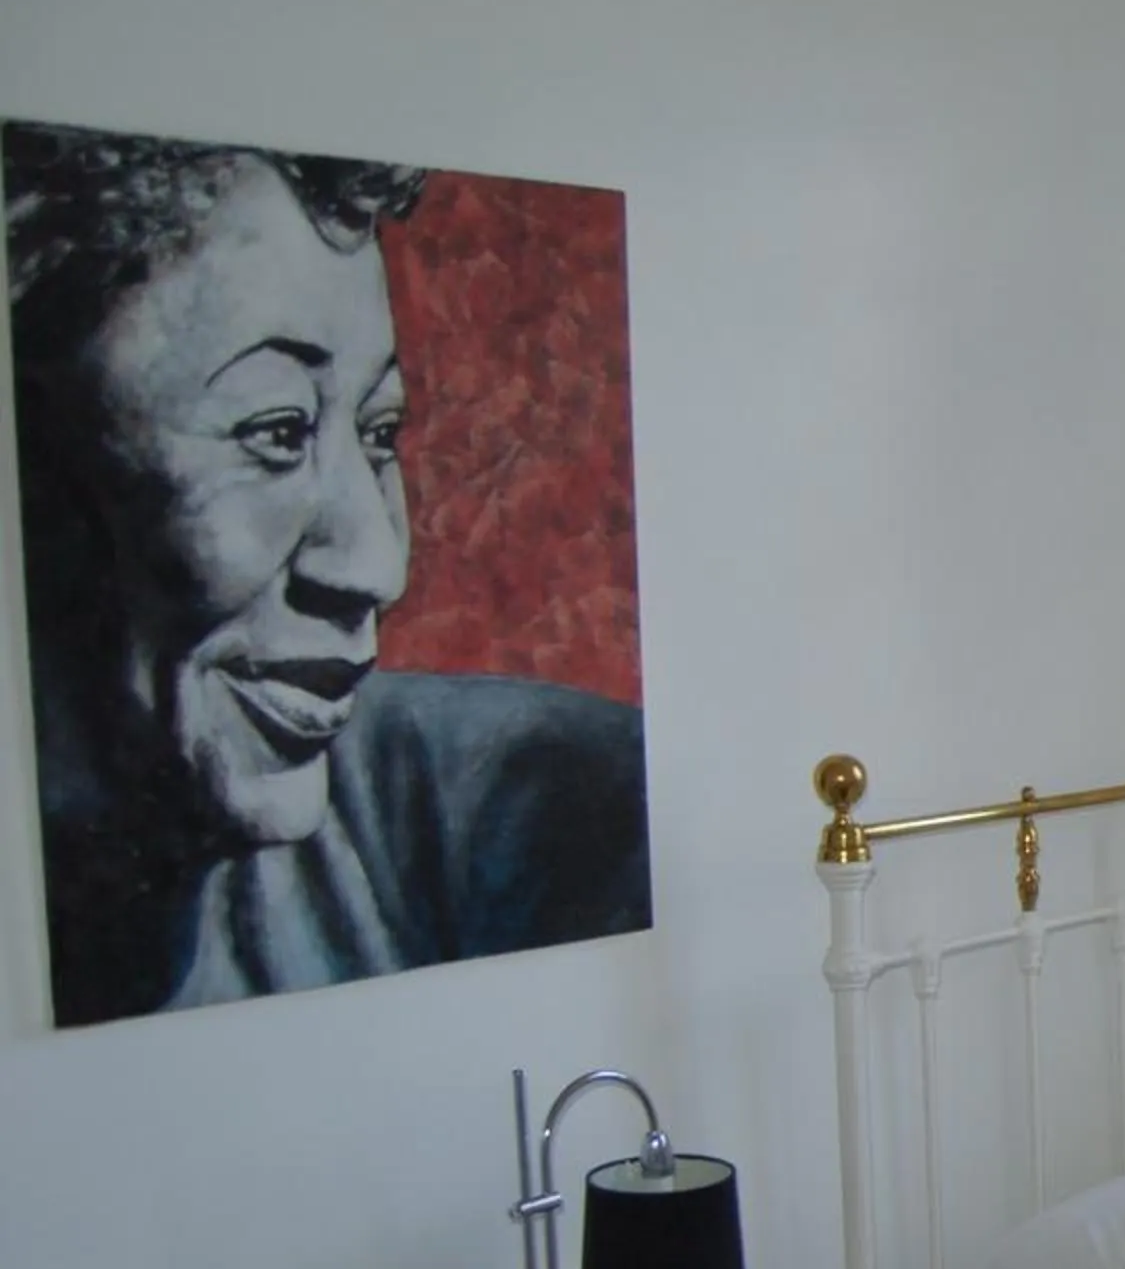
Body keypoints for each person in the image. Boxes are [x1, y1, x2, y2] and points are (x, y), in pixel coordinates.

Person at [5, 120, 650, 1026]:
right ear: (36, 466)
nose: (375, 563)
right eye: (276, 432)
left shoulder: (537, 800)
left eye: (378, 433)